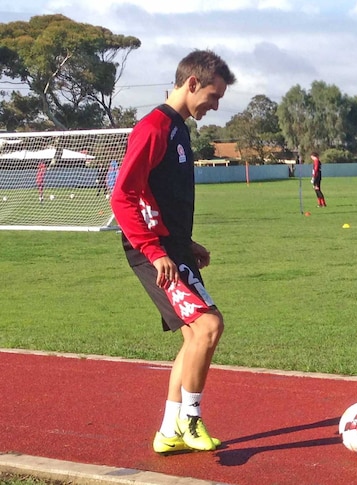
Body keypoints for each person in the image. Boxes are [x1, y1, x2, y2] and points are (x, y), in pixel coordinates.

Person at [110, 49, 236, 455]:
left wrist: (184, 242)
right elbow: (123, 196)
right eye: (213, 96)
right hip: (153, 251)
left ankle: (168, 431)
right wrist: (154, 248)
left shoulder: (179, 129)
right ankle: (191, 418)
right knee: (209, 327)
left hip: (172, 246)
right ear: (192, 83)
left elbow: (160, 196)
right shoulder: (153, 128)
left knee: (194, 337)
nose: (215, 106)